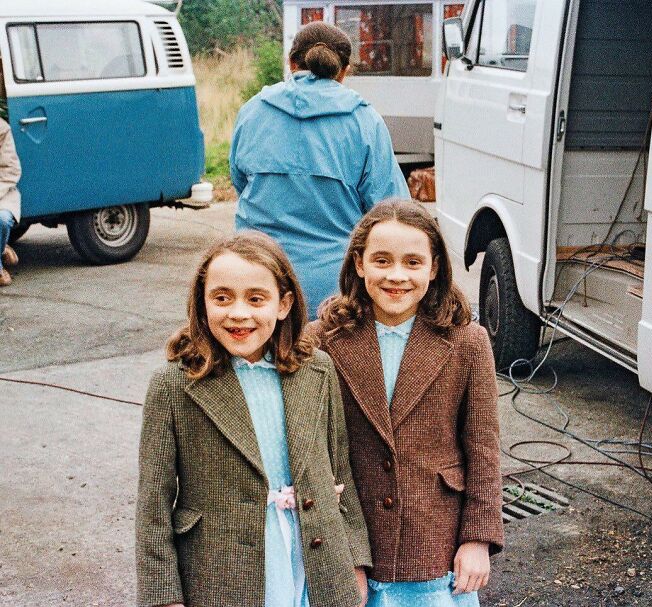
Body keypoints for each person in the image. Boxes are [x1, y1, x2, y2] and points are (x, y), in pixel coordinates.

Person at [135, 231, 372, 607]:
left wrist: (355, 562)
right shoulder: (173, 384)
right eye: (222, 298)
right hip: (220, 571)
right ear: (202, 302)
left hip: (312, 557)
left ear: (284, 304)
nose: (239, 313)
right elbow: (153, 506)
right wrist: (164, 596)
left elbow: (339, 470)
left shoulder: (317, 370)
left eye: (256, 298)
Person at [308, 199, 504, 607]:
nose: (396, 276)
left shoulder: (468, 342)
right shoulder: (320, 342)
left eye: (413, 263)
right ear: (359, 265)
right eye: (382, 261)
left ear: (434, 269)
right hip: (349, 540)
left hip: (434, 546)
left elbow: (483, 450)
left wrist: (478, 538)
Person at [229, 22, 409, 319]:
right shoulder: (365, 121)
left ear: (291, 63)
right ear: (344, 71)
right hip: (333, 293)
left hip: (252, 279)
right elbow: (391, 211)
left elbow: (240, 182)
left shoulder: (252, 111)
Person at [0, 117, 21, 287]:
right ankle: (2, 246)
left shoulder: (2, 128)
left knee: (2, 219)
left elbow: (11, 170)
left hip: (2, 191)